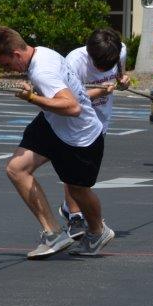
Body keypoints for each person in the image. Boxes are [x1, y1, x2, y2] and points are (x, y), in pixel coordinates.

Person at [0, 26, 114, 258]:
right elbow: (15, 85)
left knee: (78, 190)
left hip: (80, 136)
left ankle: (98, 231)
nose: (7, 69)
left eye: (6, 64)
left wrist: (32, 98)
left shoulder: (42, 71)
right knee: (16, 169)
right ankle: (53, 233)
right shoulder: (40, 52)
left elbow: (72, 107)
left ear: (16, 54)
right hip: (52, 124)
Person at [58, 28, 130, 240]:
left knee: (85, 176)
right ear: (90, 54)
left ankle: (69, 207)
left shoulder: (120, 51)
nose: (102, 69)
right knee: (73, 170)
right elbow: (68, 99)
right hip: (77, 120)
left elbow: (120, 77)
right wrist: (100, 90)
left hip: (100, 121)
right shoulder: (74, 62)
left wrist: (123, 81)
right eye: (99, 66)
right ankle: (75, 216)